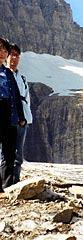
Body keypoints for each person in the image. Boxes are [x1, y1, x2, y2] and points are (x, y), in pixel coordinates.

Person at [0, 38, 26, 198]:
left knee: (9, 153)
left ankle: (6, 188)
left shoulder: (8, 73)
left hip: (9, 116)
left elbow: (16, 96)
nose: (2, 53)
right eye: (0, 50)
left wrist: (21, 116)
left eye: (5, 51)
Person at [6, 43, 32, 184]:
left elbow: (26, 99)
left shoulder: (22, 79)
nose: (14, 58)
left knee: (18, 153)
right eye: (11, 55)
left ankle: (15, 183)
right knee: (5, 153)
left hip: (23, 120)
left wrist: (26, 117)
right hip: (7, 118)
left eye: (17, 55)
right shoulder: (3, 75)